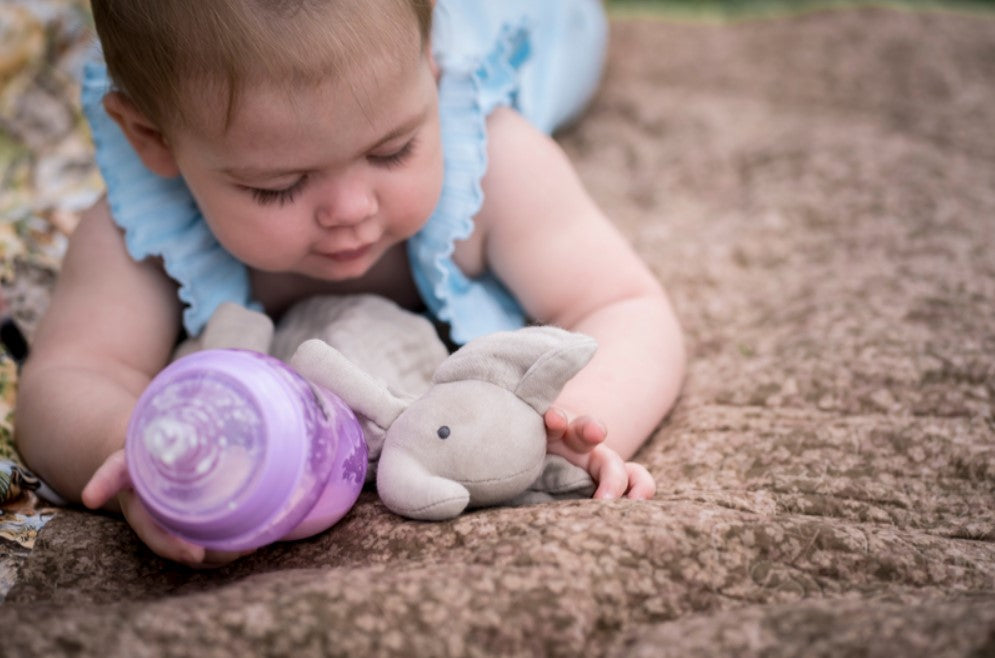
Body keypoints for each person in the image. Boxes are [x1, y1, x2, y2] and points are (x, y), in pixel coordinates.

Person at [15, 0, 685, 565]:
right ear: (152, 139)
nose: (351, 210)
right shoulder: (144, 231)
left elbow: (621, 305)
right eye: (277, 186)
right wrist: (132, 452)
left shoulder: (490, 163)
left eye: (392, 150)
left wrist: (577, 424)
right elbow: (68, 375)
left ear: (431, 71)